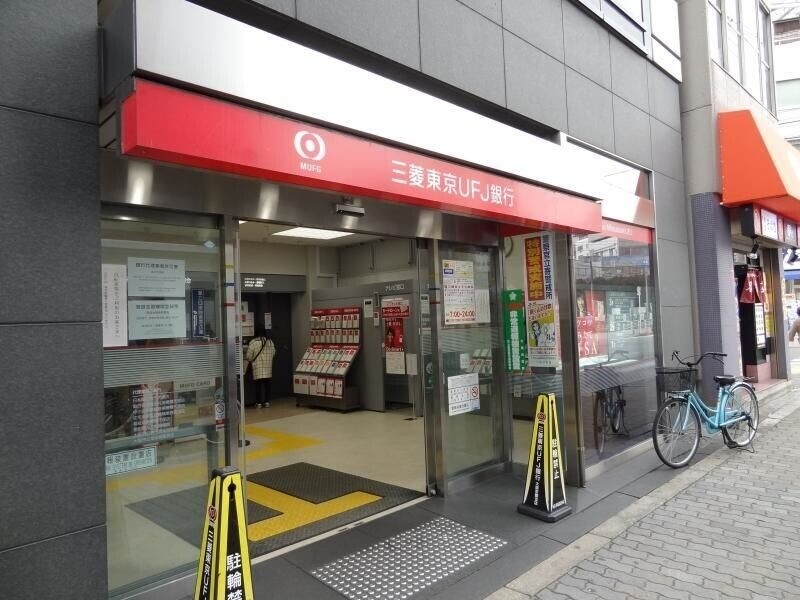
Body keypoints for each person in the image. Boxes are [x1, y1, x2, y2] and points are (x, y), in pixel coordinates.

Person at [246, 330, 276, 408]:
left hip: (258, 367)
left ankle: (258, 403)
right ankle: (267, 402)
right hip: (268, 367)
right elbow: (273, 353)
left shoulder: (253, 342)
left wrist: (252, 359)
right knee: (267, 385)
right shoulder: (270, 342)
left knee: (258, 386)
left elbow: (248, 356)